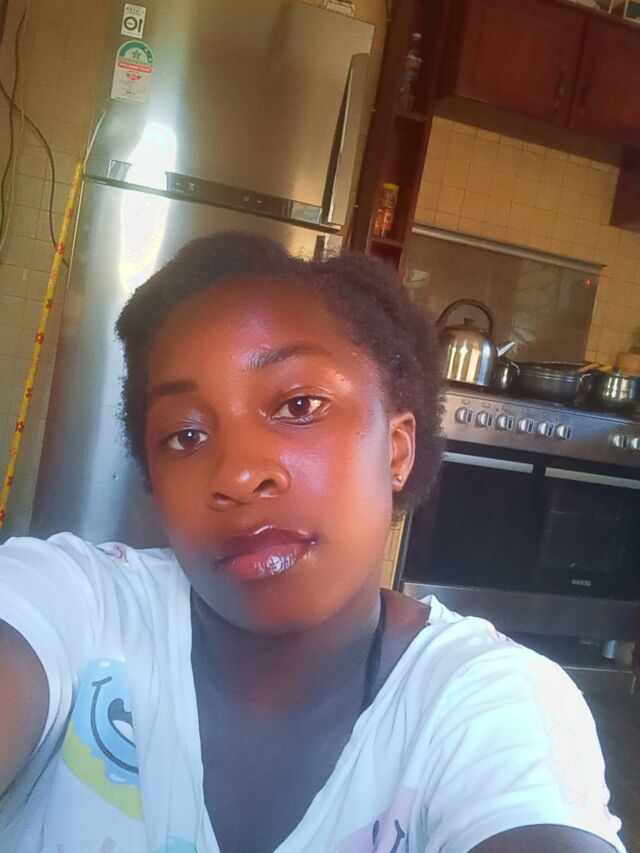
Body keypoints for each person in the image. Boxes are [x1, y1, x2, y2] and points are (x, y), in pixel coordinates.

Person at [0, 232, 626, 853]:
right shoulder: (74, 604)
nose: (238, 474)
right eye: (186, 436)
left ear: (396, 451)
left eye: (300, 405)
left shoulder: (490, 702)